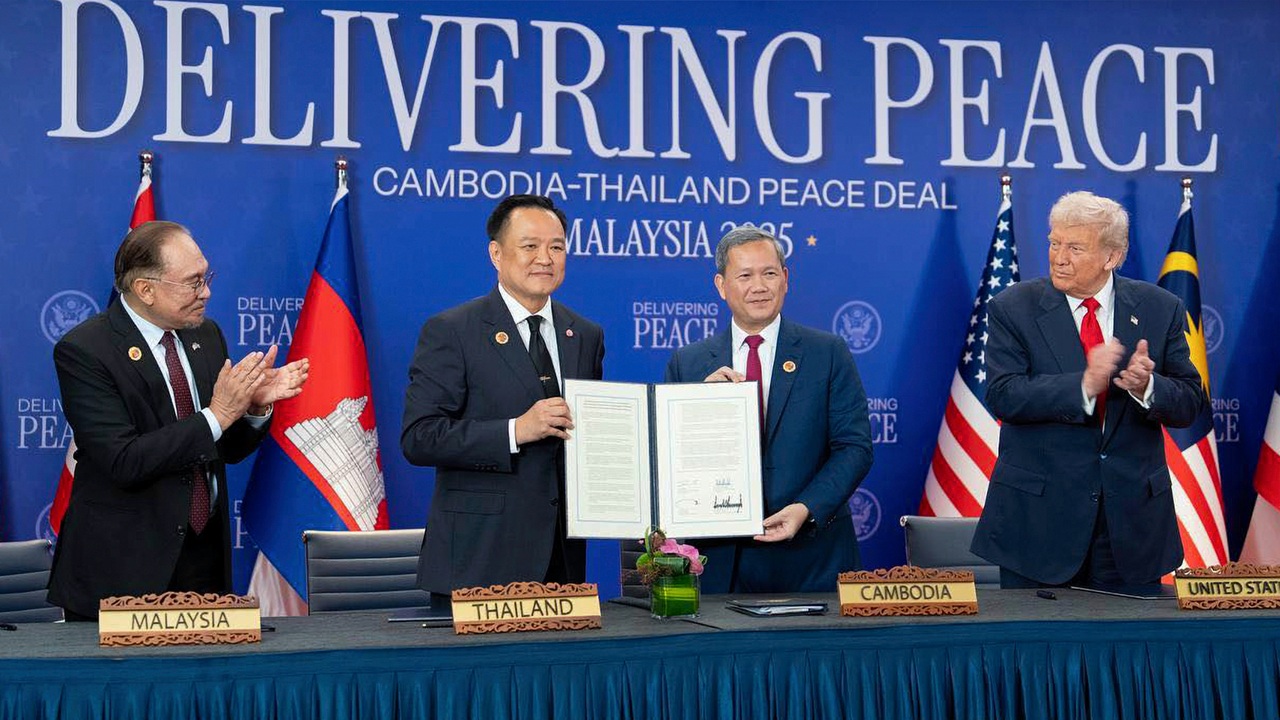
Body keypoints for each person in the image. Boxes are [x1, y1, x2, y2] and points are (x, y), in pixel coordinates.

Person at [49, 221, 309, 620]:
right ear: (145, 290)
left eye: (206, 277)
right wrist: (218, 414)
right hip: (123, 570)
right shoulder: (85, 350)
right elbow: (123, 460)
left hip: (204, 559)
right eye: (193, 282)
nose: (206, 292)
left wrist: (252, 409)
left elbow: (222, 445)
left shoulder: (206, 335)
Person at [971, 191, 1207, 589]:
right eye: (1054, 242)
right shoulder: (1013, 306)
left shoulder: (1159, 307)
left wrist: (1148, 387)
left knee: (1126, 652)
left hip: (1130, 530)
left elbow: (1189, 403)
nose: (1059, 257)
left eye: (1075, 247)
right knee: (1039, 652)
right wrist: (1082, 386)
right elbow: (1003, 394)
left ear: (1112, 256)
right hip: (1038, 528)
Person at [402, 195, 605, 597]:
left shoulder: (584, 334)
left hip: (561, 561)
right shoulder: (453, 330)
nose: (545, 258)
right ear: (496, 253)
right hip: (478, 559)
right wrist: (515, 431)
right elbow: (419, 438)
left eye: (557, 247)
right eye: (530, 246)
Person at [664, 226, 874, 593]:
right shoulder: (689, 364)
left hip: (811, 557)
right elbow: (669, 461)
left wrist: (806, 508)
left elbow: (855, 448)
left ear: (786, 279)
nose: (758, 286)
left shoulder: (827, 353)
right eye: (744, 275)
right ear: (721, 285)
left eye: (769, 273)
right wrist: (698, 407)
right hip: (721, 565)